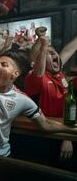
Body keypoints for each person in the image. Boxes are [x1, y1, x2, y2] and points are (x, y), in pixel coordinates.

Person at [0, 50, 77, 157]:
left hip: (2, 155)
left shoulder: (22, 99)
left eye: (4, 65)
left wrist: (70, 129)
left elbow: (45, 124)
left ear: (15, 74)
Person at [25, 34, 77, 164]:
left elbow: (67, 51)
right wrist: (66, 138)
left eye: (53, 51)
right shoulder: (36, 79)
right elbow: (37, 68)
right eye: (47, 52)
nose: (53, 53)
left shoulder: (59, 74)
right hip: (50, 137)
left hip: (67, 132)